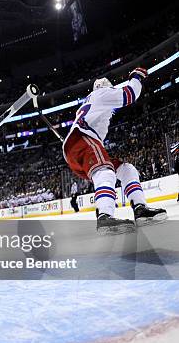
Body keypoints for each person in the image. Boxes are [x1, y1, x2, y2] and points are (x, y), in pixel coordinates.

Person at [62, 68, 167, 234]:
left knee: (126, 169)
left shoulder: (91, 103)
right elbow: (130, 94)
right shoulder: (101, 94)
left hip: (80, 146)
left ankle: (140, 209)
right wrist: (136, 77)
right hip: (83, 140)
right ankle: (105, 217)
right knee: (106, 171)